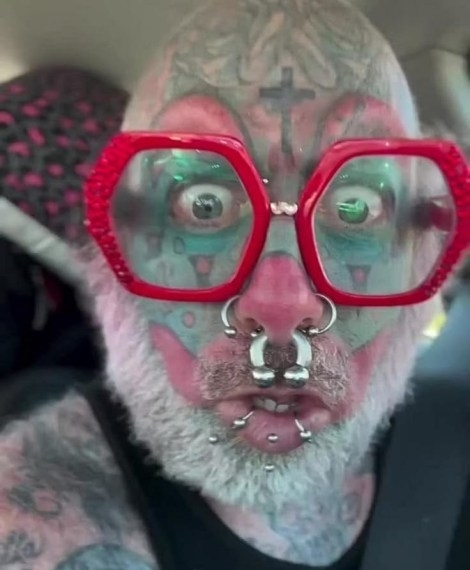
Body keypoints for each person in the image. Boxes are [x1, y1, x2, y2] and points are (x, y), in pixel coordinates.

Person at [0, 1, 469, 569]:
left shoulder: (455, 438)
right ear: (111, 250)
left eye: (357, 205)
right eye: (203, 204)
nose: (282, 304)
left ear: (425, 252)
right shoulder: (34, 509)